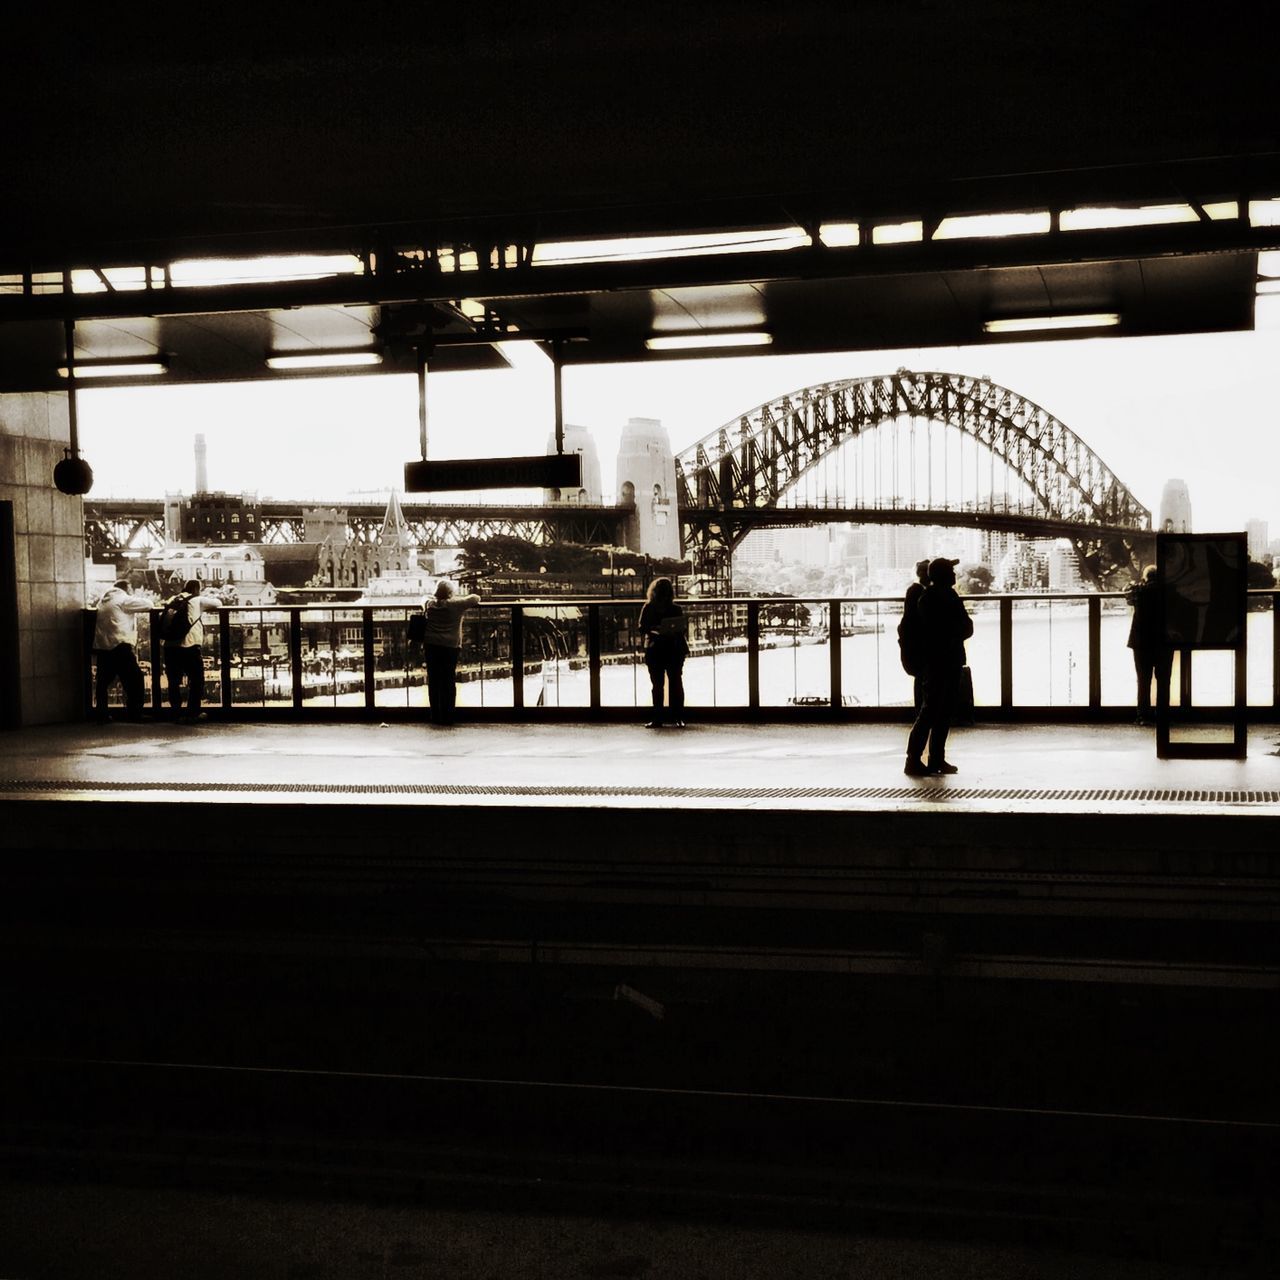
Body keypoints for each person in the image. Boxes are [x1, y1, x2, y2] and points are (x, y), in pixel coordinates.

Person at [904, 557, 973, 776]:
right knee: (933, 711)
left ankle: (931, 759)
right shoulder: (941, 597)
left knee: (939, 711)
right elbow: (966, 627)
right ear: (943, 574)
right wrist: (955, 632)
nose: (955, 574)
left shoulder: (929, 598)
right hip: (942, 661)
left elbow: (951, 629)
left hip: (941, 660)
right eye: (951, 571)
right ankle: (917, 759)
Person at [162, 578, 223, 722]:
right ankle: (193, 713)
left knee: (173, 681)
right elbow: (218, 603)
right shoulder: (197, 600)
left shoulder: (173, 599)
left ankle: (176, 712)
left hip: (170, 646)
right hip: (188, 646)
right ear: (196, 589)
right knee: (196, 680)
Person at [91, 579, 152, 722]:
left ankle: (102, 714)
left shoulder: (103, 601)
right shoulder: (123, 599)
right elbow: (149, 605)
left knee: (103, 682)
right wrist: (132, 597)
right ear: (126, 588)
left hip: (103, 647)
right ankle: (135, 713)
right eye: (131, 589)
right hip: (120, 646)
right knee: (136, 679)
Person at [422, 580, 480, 725]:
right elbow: (475, 598)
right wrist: (457, 598)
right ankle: (448, 716)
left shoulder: (430, 604)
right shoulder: (456, 605)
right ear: (450, 593)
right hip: (450, 646)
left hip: (431, 645)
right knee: (448, 680)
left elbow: (423, 598)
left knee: (434, 681)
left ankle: (435, 715)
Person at [638, 576, 688, 727]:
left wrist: (654, 630)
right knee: (676, 683)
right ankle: (678, 717)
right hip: (674, 648)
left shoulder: (648, 607)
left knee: (657, 685)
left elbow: (641, 627)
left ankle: (658, 718)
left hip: (655, 649)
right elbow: (681, 630)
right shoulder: (676, 608)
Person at [1126, 564, 1172, 725]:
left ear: (1145, 577)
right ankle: (1163, 715)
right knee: (1164, 679)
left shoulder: (1139, 591)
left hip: (1141, 641)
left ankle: (1143, 716)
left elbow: (1128, 593)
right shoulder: (1168, 591)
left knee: (1143, 680)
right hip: (1164, 640)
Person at [898, 558, 931, 709]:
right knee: (924, 680)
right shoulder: (923, 594)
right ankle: (922, 711)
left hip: (914, 644)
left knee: (921, 679)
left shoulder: (914, 591)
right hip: (921, 645)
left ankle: (920, 711)